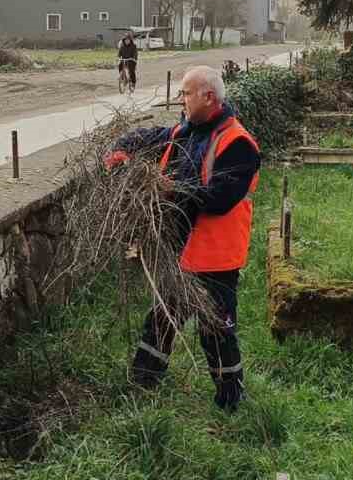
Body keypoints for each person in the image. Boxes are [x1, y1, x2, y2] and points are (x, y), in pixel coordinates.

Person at [102, 65, 261, 412]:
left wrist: (169, 190)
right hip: (179, 253)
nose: (180, 99)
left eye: (186, 93)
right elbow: (143, 138)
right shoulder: (184, 131)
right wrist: (120, 152)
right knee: (161, 320)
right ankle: (143, 385)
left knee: (216, 329)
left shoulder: (238, 144)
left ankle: (231, 402)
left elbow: (219, 199)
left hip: (215, 259)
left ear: (209, 96)